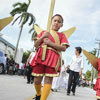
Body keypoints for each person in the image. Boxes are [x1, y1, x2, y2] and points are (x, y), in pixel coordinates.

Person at [30, 14, 69, 100]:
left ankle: (43, 99)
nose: (56, 23)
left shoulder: (62, 36)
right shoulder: (44, 32)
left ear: (61, 25)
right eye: (55, 20)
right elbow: (36, 45)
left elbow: (63, 48)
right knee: (37, 79)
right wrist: (43, 37)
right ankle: (38, 94)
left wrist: (51, 43)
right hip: (40, 56)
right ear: (51, 22)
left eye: (59, 22)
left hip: (53, 59)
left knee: (48, 80)